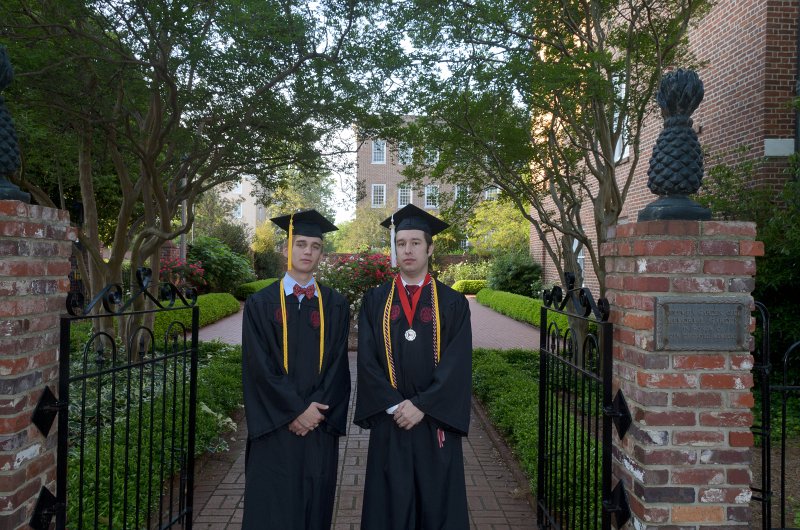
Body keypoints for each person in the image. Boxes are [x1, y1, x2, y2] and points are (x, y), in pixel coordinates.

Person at [354, 204, 473, 529]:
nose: (408, 249)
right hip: (391, 423)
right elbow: (367, 361)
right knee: (389, 508)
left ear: (430, 247)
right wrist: (395, 405)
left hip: (434, 424)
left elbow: (458, 364)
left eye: (415, 243)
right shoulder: (375, 301)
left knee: (435, 509)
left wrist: (421, 406)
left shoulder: (453, 303)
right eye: (401, 243)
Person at [241, 209, 351, 530]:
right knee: (272, 509)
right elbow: (258, 367)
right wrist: (294, 411)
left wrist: (313, 413)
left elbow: (337, 366)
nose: (307, 251)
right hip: (275, 428)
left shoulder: (335, 305)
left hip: (317, 425)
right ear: (286, 247)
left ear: (321, 252)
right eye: (300, 243)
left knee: (313, 507)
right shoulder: (261, 303)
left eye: (315, 246)